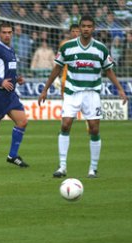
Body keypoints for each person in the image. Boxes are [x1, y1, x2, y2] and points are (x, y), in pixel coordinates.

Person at [38, 15, 128, 178]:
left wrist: (120, 89)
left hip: (92, 93)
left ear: (93, 29)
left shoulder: (101, 49)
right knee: (65, 125)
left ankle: (93, 169)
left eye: (89, 26)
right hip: (72, 92)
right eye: (83, 26)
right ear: (79, 29)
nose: (86, 29)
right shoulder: (67, 47)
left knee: (94, 129)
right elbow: (56, 69)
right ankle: (62, 166)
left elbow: (108, 70)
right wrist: (45, 89)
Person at [0, 22, 29, 168]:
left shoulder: (11, 50)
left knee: (22, 122)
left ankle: (12, 155)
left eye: (9, 32)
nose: (7, 35)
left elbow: (7, 71)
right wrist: (0, 82)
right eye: (4, 32)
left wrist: (17, 79)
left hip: (10, 94)